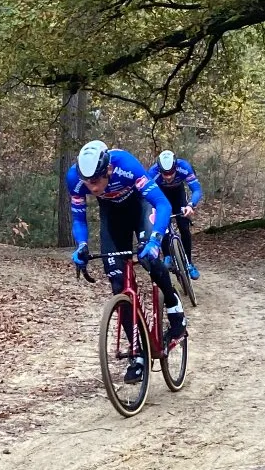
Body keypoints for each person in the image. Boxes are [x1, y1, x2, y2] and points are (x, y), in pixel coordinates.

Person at [67, 139, 186, 346]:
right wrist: (82, 245)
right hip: (112, 216)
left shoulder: (126, 165)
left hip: (140, 207)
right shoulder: (74, 179)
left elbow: (162, 203)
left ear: (109, 169)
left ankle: (174, 307)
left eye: (96, 180)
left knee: (150, 258)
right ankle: (138, 351)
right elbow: (79, 218)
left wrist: (156, 239)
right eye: (88, 182)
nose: (92, 187)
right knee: (117, 282)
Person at [152, 149, 202, 279]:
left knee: (184, 228)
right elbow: (145, 195)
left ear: (176, 166)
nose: (168, 177)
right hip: (161, 196)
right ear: (159, 169)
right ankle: (167, 256)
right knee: (163, 227)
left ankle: (189, 263)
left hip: (178, 195)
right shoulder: (153, 172)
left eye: (171, 173)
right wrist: (153, 209)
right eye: (165, 174)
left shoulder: (184, 167)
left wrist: (191, 205)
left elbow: (196, 189)